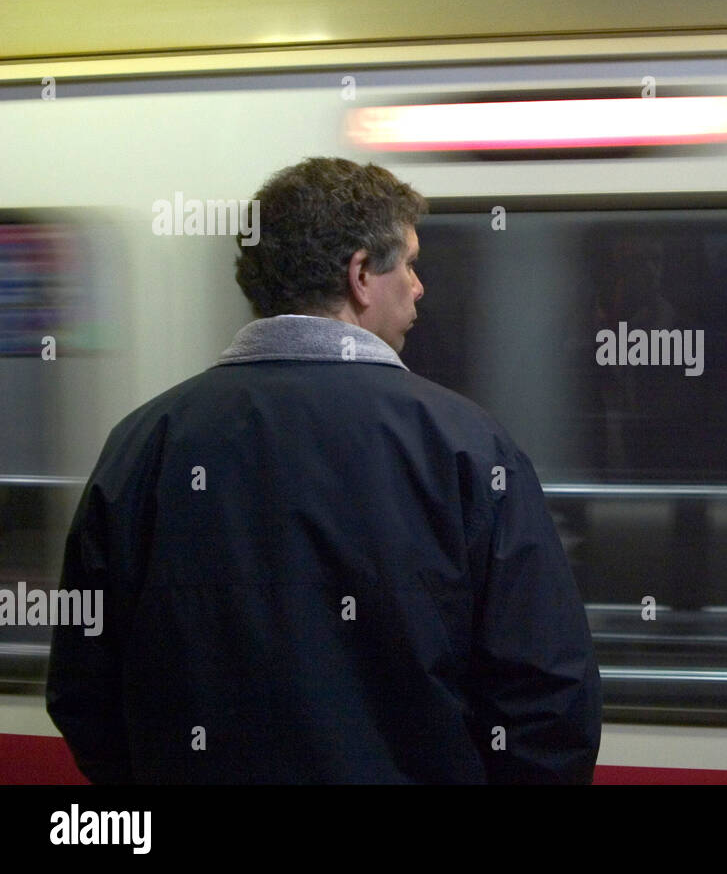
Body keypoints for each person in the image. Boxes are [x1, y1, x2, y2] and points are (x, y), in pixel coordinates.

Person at [45, 157, 601, 783]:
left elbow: (83, 690)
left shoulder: (144, 443)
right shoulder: (467, 447)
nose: (419, 286)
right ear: (361, 274)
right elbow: (548, 694)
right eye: (411, 264)